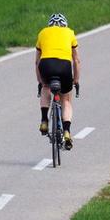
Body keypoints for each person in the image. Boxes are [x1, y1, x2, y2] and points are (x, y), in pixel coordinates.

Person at [35, 13, 80, 149]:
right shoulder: (70, 33)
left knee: (46, 90)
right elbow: (76, 61)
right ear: (64, 24)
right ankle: (66, 130)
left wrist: (41, 82)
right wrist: (76, 80)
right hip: (64, 66)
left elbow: (37, 61)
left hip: (46, 65)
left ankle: (44, 120)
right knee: (65, 100)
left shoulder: (42, 33)